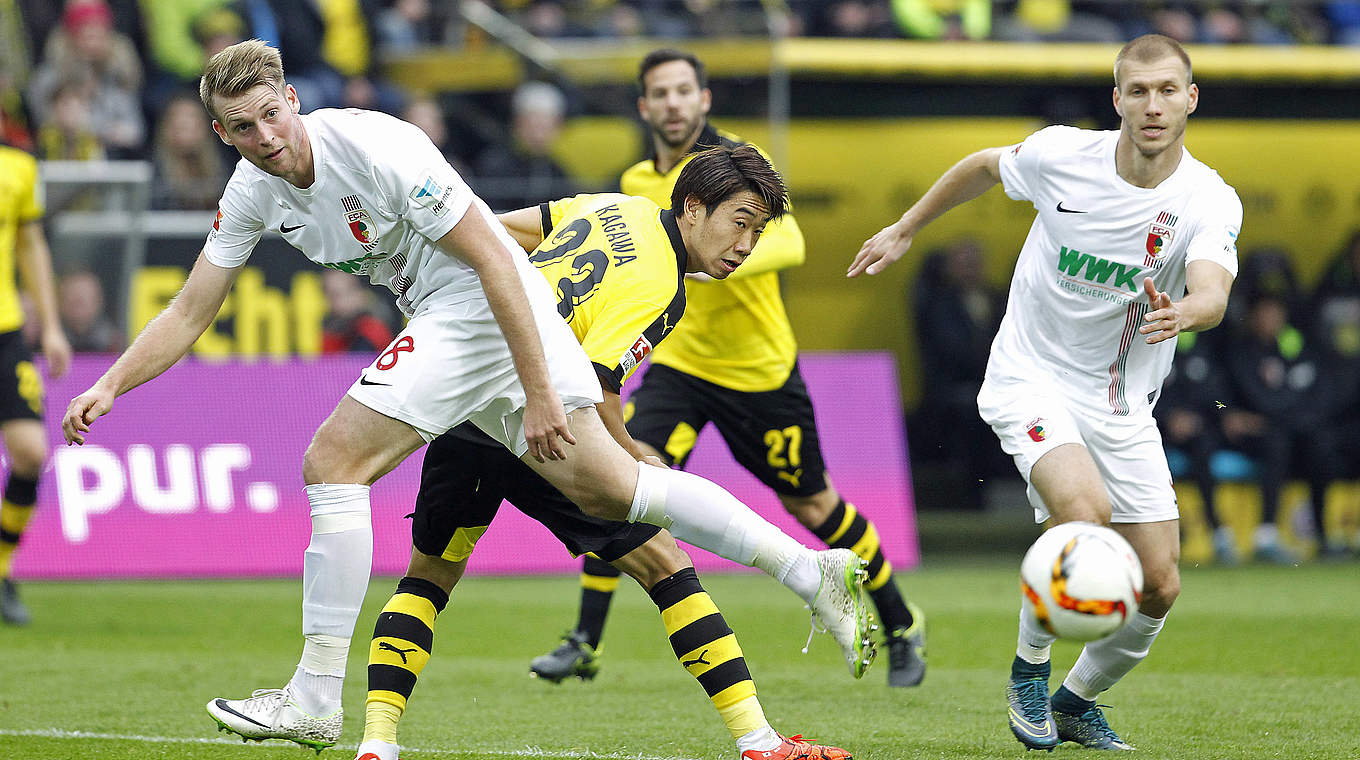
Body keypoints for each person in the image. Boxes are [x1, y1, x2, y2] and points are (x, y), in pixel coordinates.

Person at [59, 40, 871, 752]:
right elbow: (191, 308)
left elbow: (493, 256)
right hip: (460, 320)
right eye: (243, 127)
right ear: (222, 133)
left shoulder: (377, 147)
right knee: (618, 488)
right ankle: (811, 570)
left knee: (331, 462)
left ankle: (312, 696)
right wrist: (109, 382)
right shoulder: (251, 190)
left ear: (293, 100)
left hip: (481, 308)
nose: (264, 138)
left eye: (271, 114)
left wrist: (539, 391)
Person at [355, 147, 852, 760]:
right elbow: (598, 389)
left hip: (469, 400)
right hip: (543, 426)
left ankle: (377, 744)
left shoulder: (612, 206)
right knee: (666, 564)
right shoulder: (662, 287)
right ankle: (759, 741)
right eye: (740, 221)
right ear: (693, 209)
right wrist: (633, 458)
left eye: (757, 230)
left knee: (429, 576)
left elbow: (494, 224)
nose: (746, 244)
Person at [851, 34, 1241, 750]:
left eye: (1167, 91)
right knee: (1085, 514)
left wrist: (1186, 310)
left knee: (1158, 585)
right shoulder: (1064, 154)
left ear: (1191, 99)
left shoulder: (1207, 200)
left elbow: (1213, 287)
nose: (1152, 106)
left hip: (1121, 403)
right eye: (1138, 91)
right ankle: (1029, 668)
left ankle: (1075, 700)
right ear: (1116, 99)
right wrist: (906, 228)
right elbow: (980, 166)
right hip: (1029, 376)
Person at [528, 48, 927, 690]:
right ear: (644, 107)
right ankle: (586, 637)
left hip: (758, 373)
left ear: (704, 99)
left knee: (815, 505)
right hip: (680, 367)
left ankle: (901, 624)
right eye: (661, 93)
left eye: (685, 90)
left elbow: (791, 241)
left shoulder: (738, 168)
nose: (674, 103)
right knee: (619, 476)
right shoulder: (633, 182)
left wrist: (712, 256)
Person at [0, 133, 73, 625]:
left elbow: (30, 244)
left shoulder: (18, 167)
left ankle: (2, 572)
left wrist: (49, 326)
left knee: (30, 452)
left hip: (5, 331)